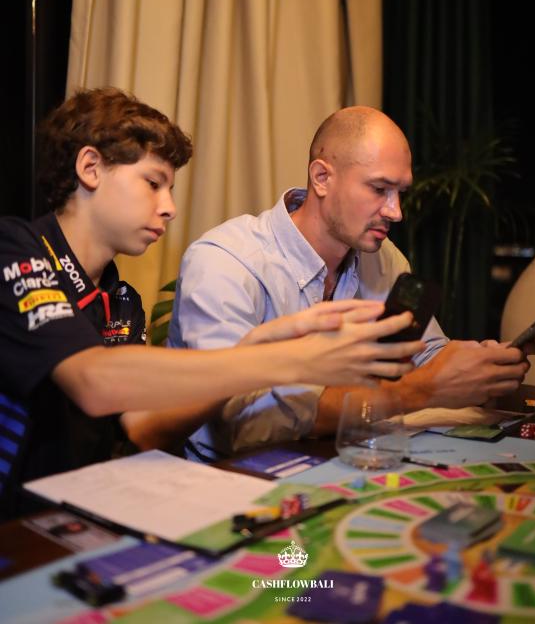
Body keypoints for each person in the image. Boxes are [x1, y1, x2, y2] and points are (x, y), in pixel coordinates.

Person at [0, 91, 423, 519]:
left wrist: (250, 350)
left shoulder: (120, 301)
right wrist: (289, 360)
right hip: (17, 526)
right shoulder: (16, 249)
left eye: (170, 189)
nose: (169, 208)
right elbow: (92, 381)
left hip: (72, 518)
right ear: (90, 168)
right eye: (153, 184)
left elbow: (143, 428)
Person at [168, 106, 533, 457]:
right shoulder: (225, 263)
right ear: (321, 178)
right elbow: (239, 422)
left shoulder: (384, 257)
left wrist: (478, 365)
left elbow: (424, 354)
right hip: (229, 476)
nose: (396, 212)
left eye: (400, 193)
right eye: (379, 189)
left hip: (336, 457)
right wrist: (419, 391)